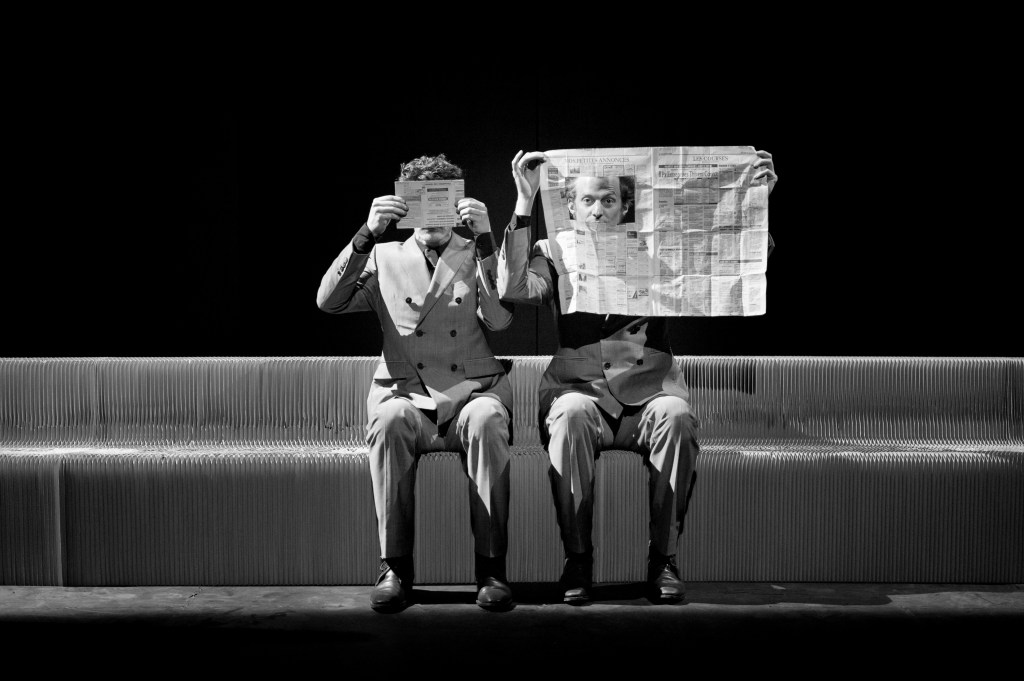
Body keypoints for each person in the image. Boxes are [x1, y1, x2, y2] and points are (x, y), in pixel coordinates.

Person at [498, 149, 778, 605]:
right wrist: (524, 201)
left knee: (677, 415)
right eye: (588, 200)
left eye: (609, 200)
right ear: (570, 206)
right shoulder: (554, 251)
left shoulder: (658, 247)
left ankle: (663, 560)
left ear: (625, 206)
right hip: (579, 390)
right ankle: (577, 559)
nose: (598, 210)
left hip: (650, 391)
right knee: (569, 415)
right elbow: (512, 287)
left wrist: (755, 200)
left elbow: (731, 261)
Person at [317, 153, 515, 612]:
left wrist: (486, 238)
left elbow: (501, 320)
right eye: (419, 201)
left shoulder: (476, 252)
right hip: (406, 393)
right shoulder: (383, 255)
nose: (431, 214)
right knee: (388, 420)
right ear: (405, 205)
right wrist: (366, 233)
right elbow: (329, 301)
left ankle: (492, 569)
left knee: (488, 419)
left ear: (456, 203)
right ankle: (394, 568)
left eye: (440, 201)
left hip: (472, 392)